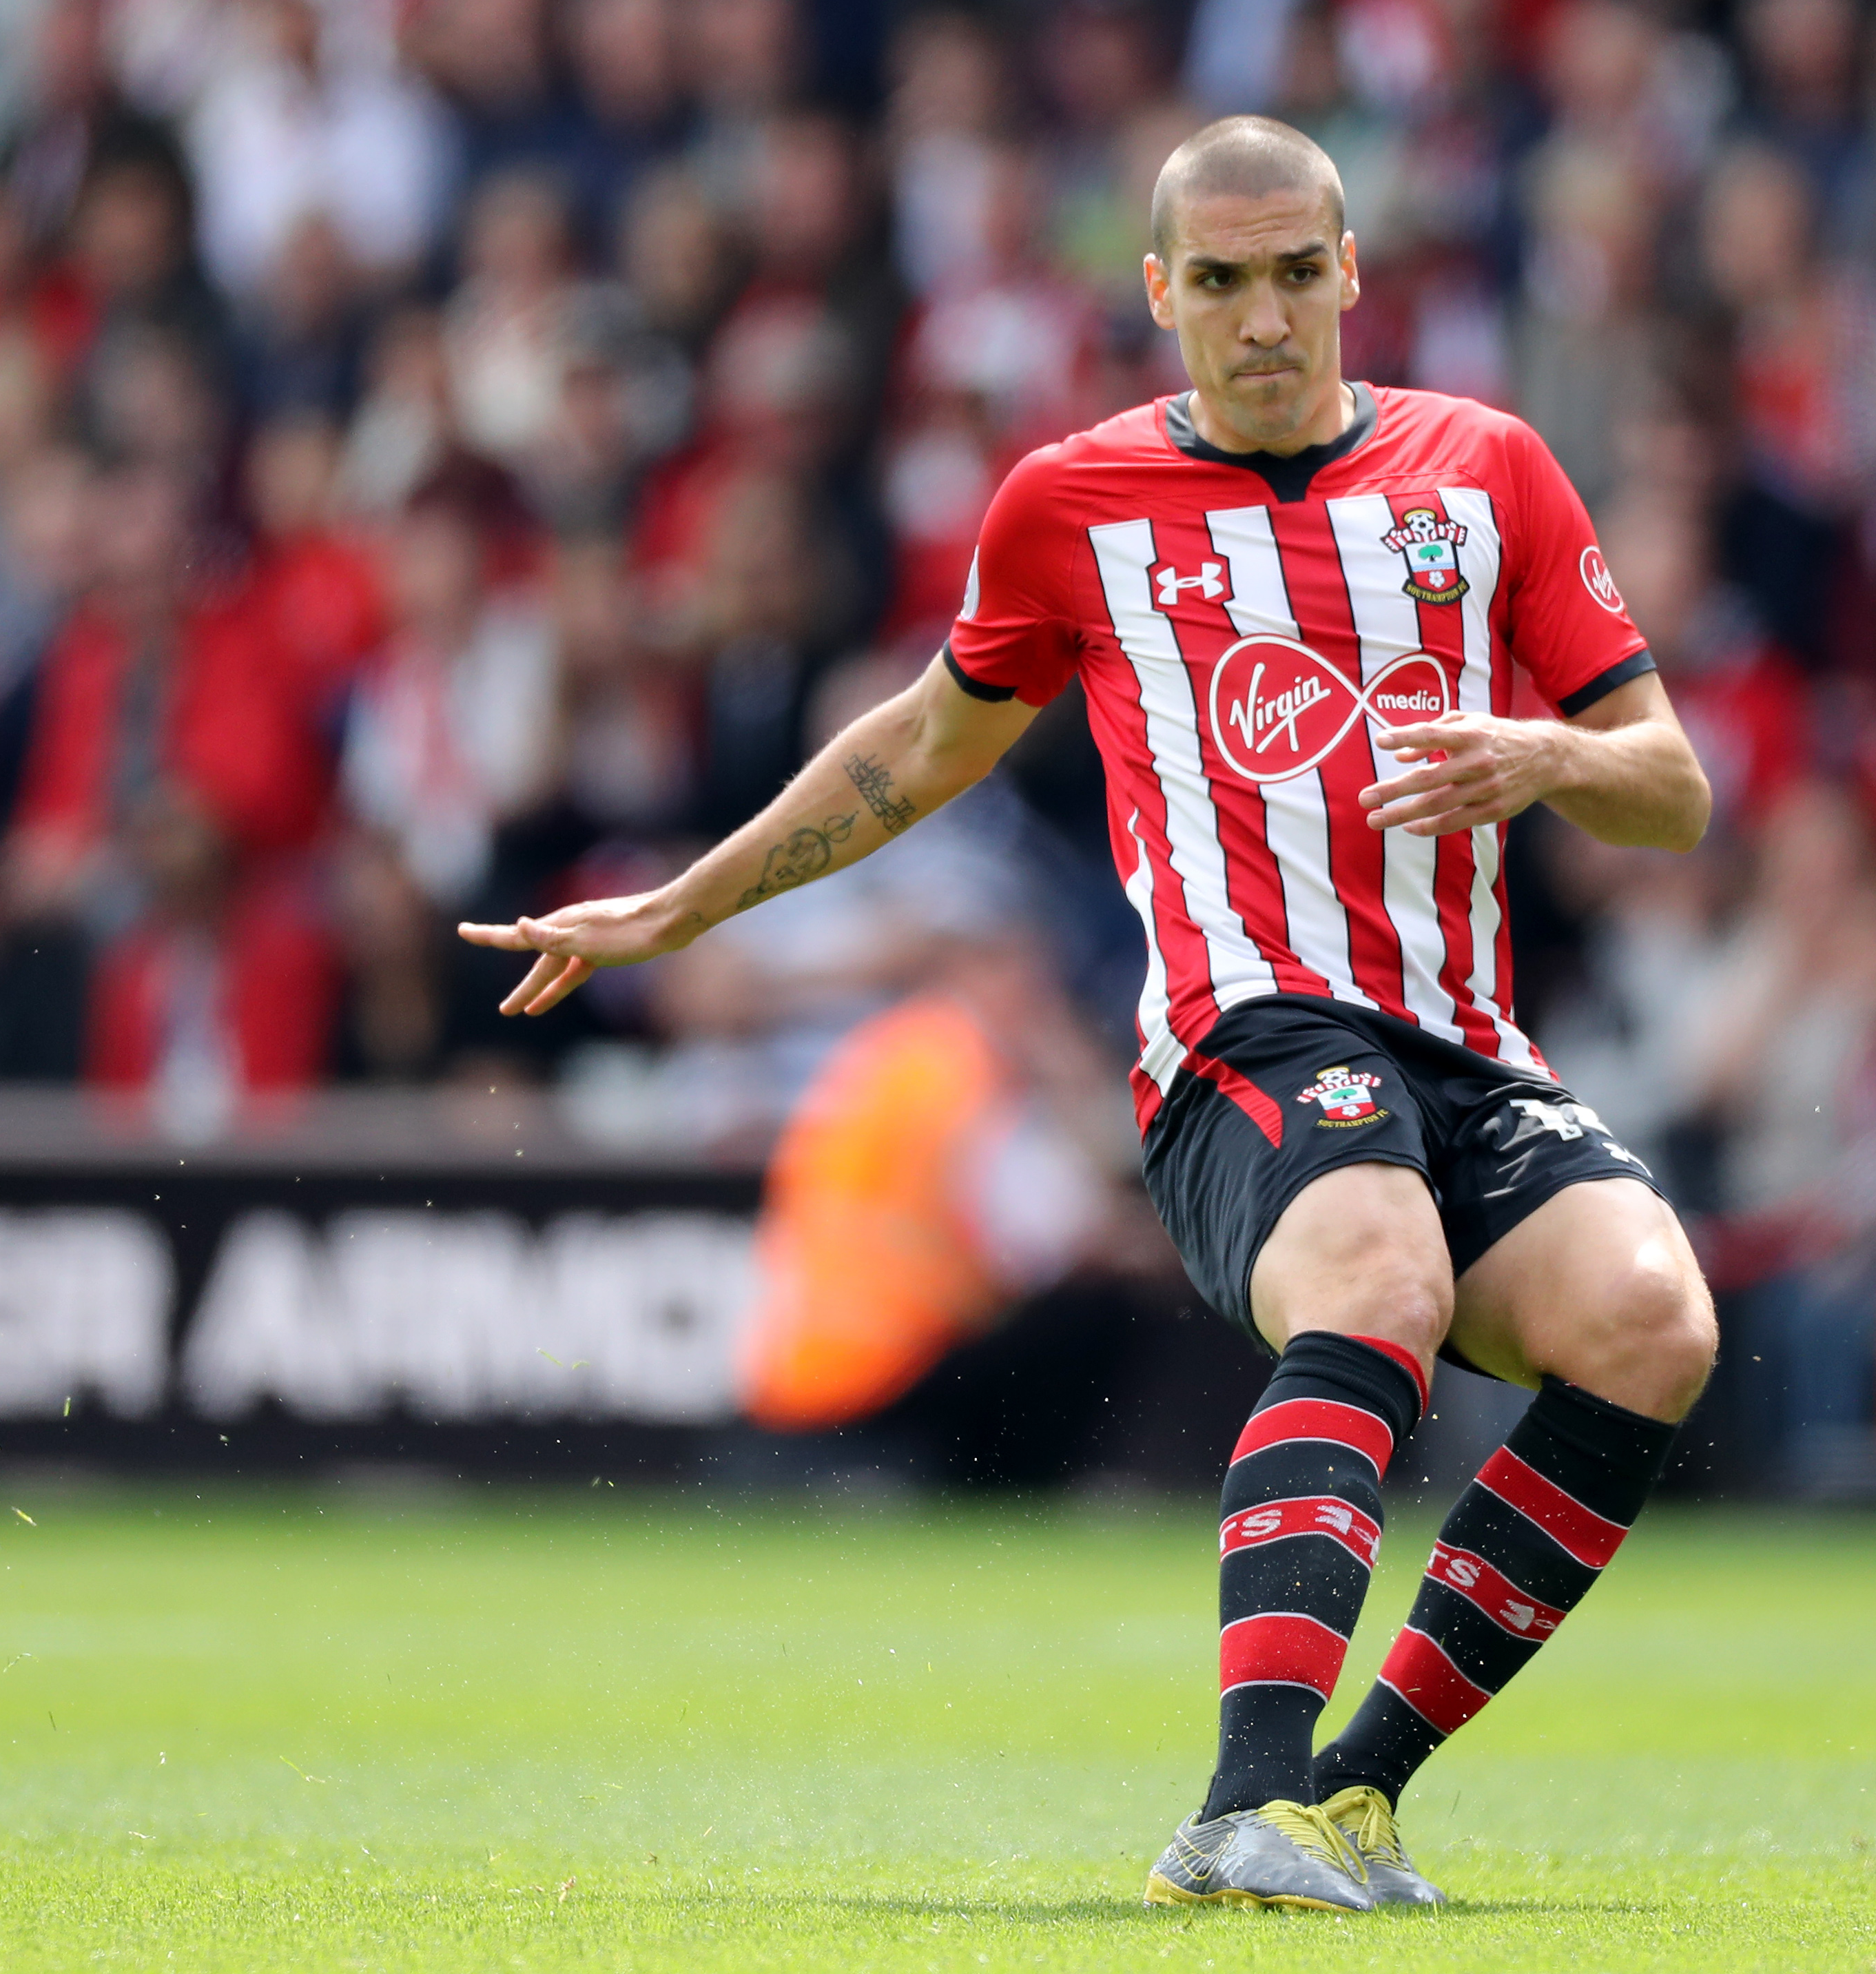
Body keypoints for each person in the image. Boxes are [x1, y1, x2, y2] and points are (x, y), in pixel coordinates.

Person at [460, 116, 1719, 1914]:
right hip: (1244, 1045)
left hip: (1462, 1044)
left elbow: (1673, 789)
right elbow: (921, 745)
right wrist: (682, 905)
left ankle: (1355, 1794)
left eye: (1298, 274)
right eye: (1223, 280)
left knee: (1653, 1322)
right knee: (1379, 1277)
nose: (1266, 317)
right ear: (1159, 293)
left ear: (1352, 273)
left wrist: (1547, 757)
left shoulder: (1488, 469)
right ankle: (1242, 1805)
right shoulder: (1073, 504)